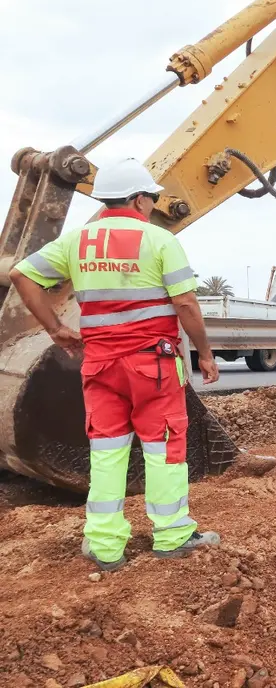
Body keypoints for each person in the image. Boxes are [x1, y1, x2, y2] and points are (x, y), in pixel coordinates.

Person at [8, 157, 222, 572]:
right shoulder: (159, 241)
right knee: (163, 450)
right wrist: (206, 353)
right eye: (152, 197)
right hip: (152, 367)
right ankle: (173, 535)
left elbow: (21, 275)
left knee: (107, 452)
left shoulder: (78, 242)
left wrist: (55, 329)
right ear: (139, 198)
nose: (153, 204)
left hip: (100, 366)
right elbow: (185, 303)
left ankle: (105, 547)